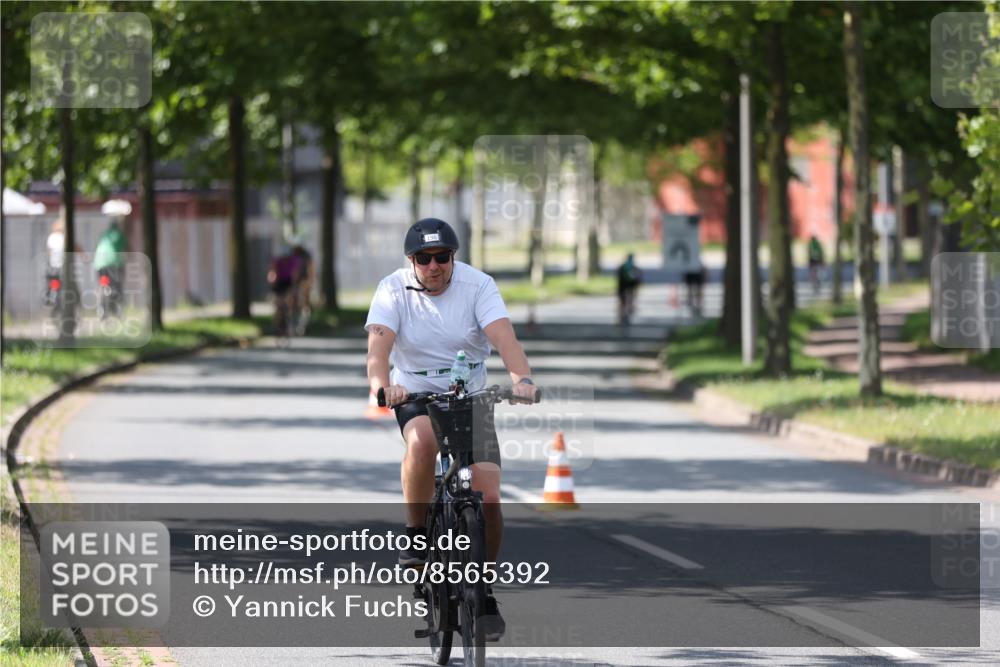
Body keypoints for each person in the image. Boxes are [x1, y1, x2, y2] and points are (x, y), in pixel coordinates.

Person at [365, 218, 537, 642]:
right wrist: (383, 387)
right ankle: (417, 535)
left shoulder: (478, 285)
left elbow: (504, 337)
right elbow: (378, 349)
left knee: (490, 497)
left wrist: (522, 379)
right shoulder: (392, 289)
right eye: (424, 259)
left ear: (453, 258)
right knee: (421, 442)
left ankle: (483, 589)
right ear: (412, 261)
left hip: (470, 398)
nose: (434, 266)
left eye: (442, 257)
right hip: (415, 394)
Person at [267, 243, 301, 337]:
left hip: (289, 281)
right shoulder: (277, 261)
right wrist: (271, 280)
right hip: (279, 282)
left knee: (290, 300)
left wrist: (294, 288)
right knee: (278, 303)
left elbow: (295, 275)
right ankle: (276, 324)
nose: (285, 259)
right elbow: (272, 272)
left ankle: (289, 321)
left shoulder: (294, 261)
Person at [290, 235, 314, 335]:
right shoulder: (292, 255)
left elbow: (310, 269)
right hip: (294, 282)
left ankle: (303, 324)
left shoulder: (306, 255)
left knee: (304, 302)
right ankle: (293, 323)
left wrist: (309, 281)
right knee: (292, 301)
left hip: (304, 281)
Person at [616, 252, 643, 325]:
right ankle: (624, 314)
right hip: (627, 287)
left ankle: (622, 315)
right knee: (626, 301)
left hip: (625, 287)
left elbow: (618, 277)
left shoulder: (622, 267)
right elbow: (639, 278)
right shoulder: (634, 268)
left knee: (624, 302)